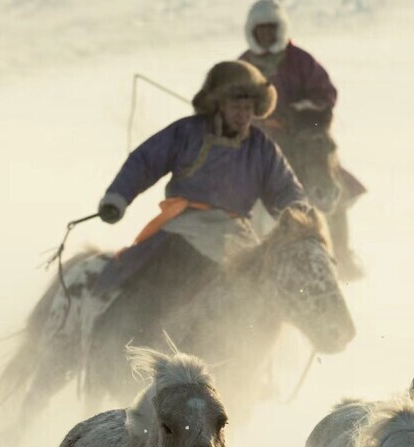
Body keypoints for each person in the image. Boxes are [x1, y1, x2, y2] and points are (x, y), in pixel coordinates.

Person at [89, 60, 309, 392]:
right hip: (184, 232)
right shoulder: (188, 132)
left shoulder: (261, 148)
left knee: (260, 301)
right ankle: (122, 355)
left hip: (237, 241)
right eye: (236, 104)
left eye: (249, 106)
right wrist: (117, 197)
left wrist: (300, 218)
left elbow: (287, 190)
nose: (243, 113)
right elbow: (145, 160)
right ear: (218, 103)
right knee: (148, 295)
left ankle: (250, 377)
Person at [240, 0, 366, 280]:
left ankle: (342, 255)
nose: (266, 38)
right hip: (260, 145)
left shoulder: (300, 61)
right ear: (251, 32)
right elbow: (227, 99)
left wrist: (298, 114)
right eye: (261, 32)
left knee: (332, 191)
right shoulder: (244, 65)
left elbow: (326, 95)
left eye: (271, 32)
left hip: (305, 142)